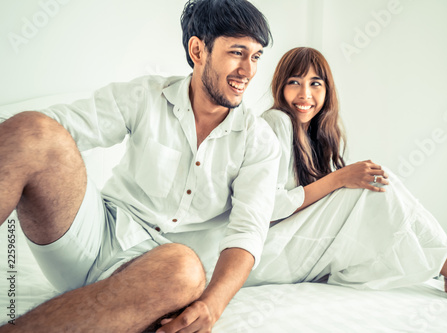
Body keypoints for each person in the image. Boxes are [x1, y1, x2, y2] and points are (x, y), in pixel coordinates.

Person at [0, 0, 280, 332]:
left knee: (187, 271)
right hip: (92, 236)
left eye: (256, 56)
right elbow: (58, 129)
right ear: (197, 50)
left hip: (156, 272)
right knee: (35, 130)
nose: (248, 71)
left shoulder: (260, 141)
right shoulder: (146, 95)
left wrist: (212, 305)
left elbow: (247, 233)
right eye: (237, 52)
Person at [254, 47, 447, 300]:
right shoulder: (276, 121)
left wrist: (341, 180)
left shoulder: (316, 135)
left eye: (315, 83)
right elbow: (270, 207)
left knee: (378, 184)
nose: (305, 94)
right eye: (294, 82)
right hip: (269, 253)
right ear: (280, 87)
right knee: (373, 186)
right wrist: (339, 178)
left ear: (327, 91)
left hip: (295, 248)